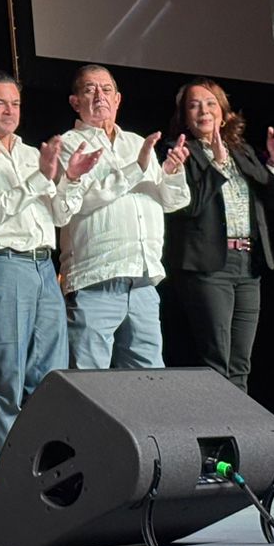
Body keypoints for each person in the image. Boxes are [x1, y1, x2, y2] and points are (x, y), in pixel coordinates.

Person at [0, 70, 93, 470]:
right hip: (5, 263)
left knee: (50, 376)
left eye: (14, 104)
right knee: (8, 374)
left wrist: (71, 181)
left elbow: (60, 212)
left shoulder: (34, 153)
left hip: (43, 266)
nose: (9, 111)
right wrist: (38, 179)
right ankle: (7, 474)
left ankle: (45, 466)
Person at [54, 65, 190, 371]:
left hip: (142, 281)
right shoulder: (69, 145)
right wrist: (135, 170)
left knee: (149, 385)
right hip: (95, 280)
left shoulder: (137, 143)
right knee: (91, 388)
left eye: (106, 89)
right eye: (90, 90)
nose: (100, 96)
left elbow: (172, 202)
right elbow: (77, 203)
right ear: (75, 101)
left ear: (118, 99)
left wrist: (170, 173)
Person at [164, 78, 274, 392]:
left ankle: (239, 437)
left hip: (248, 265)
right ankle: (218, 436)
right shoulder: (181, 152)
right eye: (194, 105)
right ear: (185, 116)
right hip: (208, 269)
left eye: (210, 104)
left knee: (240, 365)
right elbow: (187, 207)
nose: (203, 111)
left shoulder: (242, 150)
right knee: (217, 363)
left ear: (222, 112)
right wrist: (217, 166)